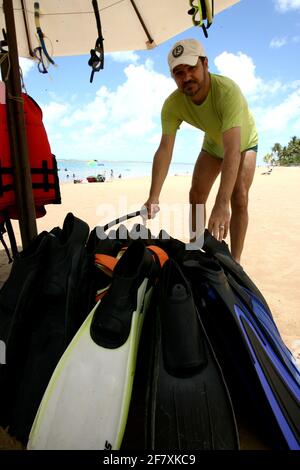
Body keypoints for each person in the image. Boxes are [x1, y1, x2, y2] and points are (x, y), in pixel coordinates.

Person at [143, 38, 258, 263]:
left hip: (243, 143)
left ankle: (235, 263)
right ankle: (196, 251)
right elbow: (165, 149)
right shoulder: (172, 105)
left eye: (192, 68)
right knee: (196, 194)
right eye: (178, 72)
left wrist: (222, 202)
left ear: (205, 64)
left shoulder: (227, 91)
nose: (186, 77)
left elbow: (233, 149)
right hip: (213, 144)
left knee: (238, 196)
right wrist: (153, 196)